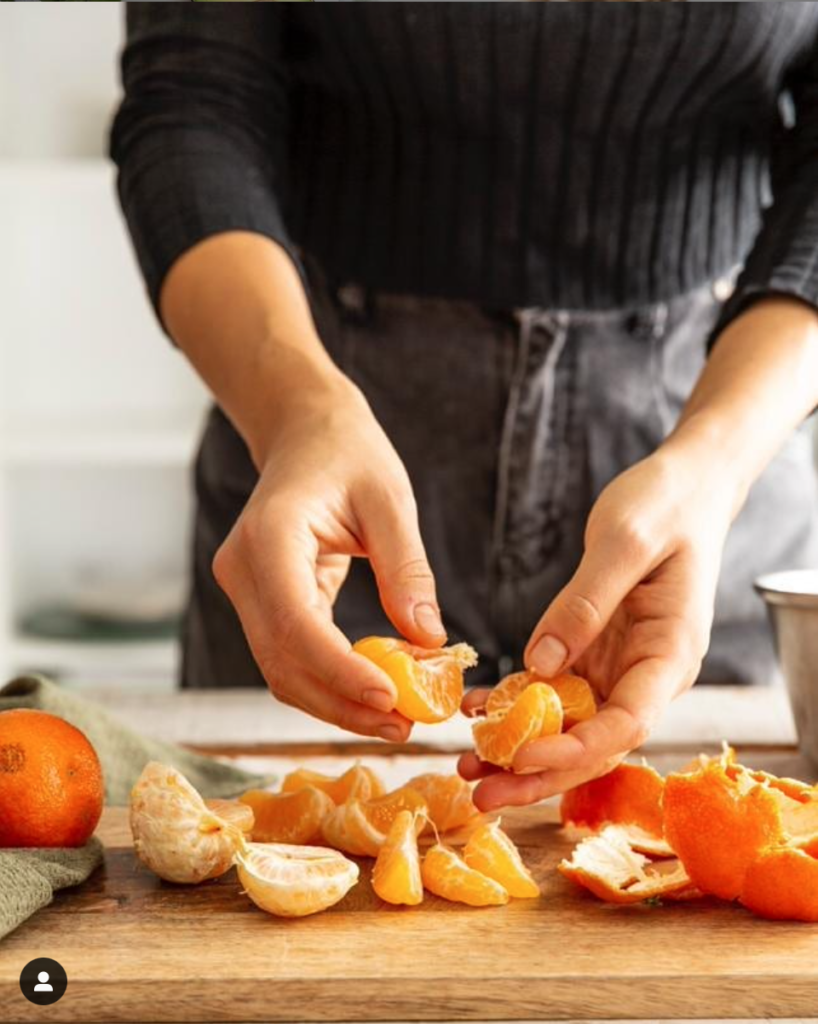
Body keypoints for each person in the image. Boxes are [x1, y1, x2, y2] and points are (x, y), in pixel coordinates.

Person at [112, 4, 818, 811]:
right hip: (322, 444)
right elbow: (192, 100)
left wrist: (714, 465)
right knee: (264, 845)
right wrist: (296, 410)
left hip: (713, 434)